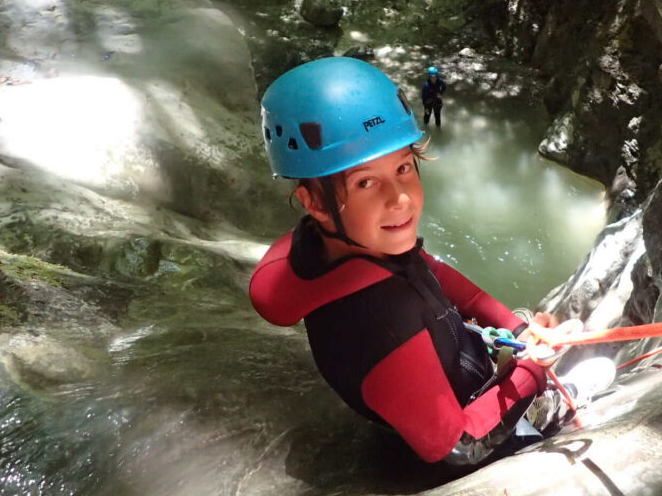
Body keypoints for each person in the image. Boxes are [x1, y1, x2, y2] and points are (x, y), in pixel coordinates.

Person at [249, 57, 596, 467]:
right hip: (461, 421)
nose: (400, 198)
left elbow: (432, 270)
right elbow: (457, 446)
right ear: (315, 203)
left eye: (403, 168)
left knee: (521, 329)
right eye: (365, 182)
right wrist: (530, 374)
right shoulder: (381, 324)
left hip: (450, 358)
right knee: (567, 387)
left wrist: (515, 327)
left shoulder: (338, 247)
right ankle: (549, 409)